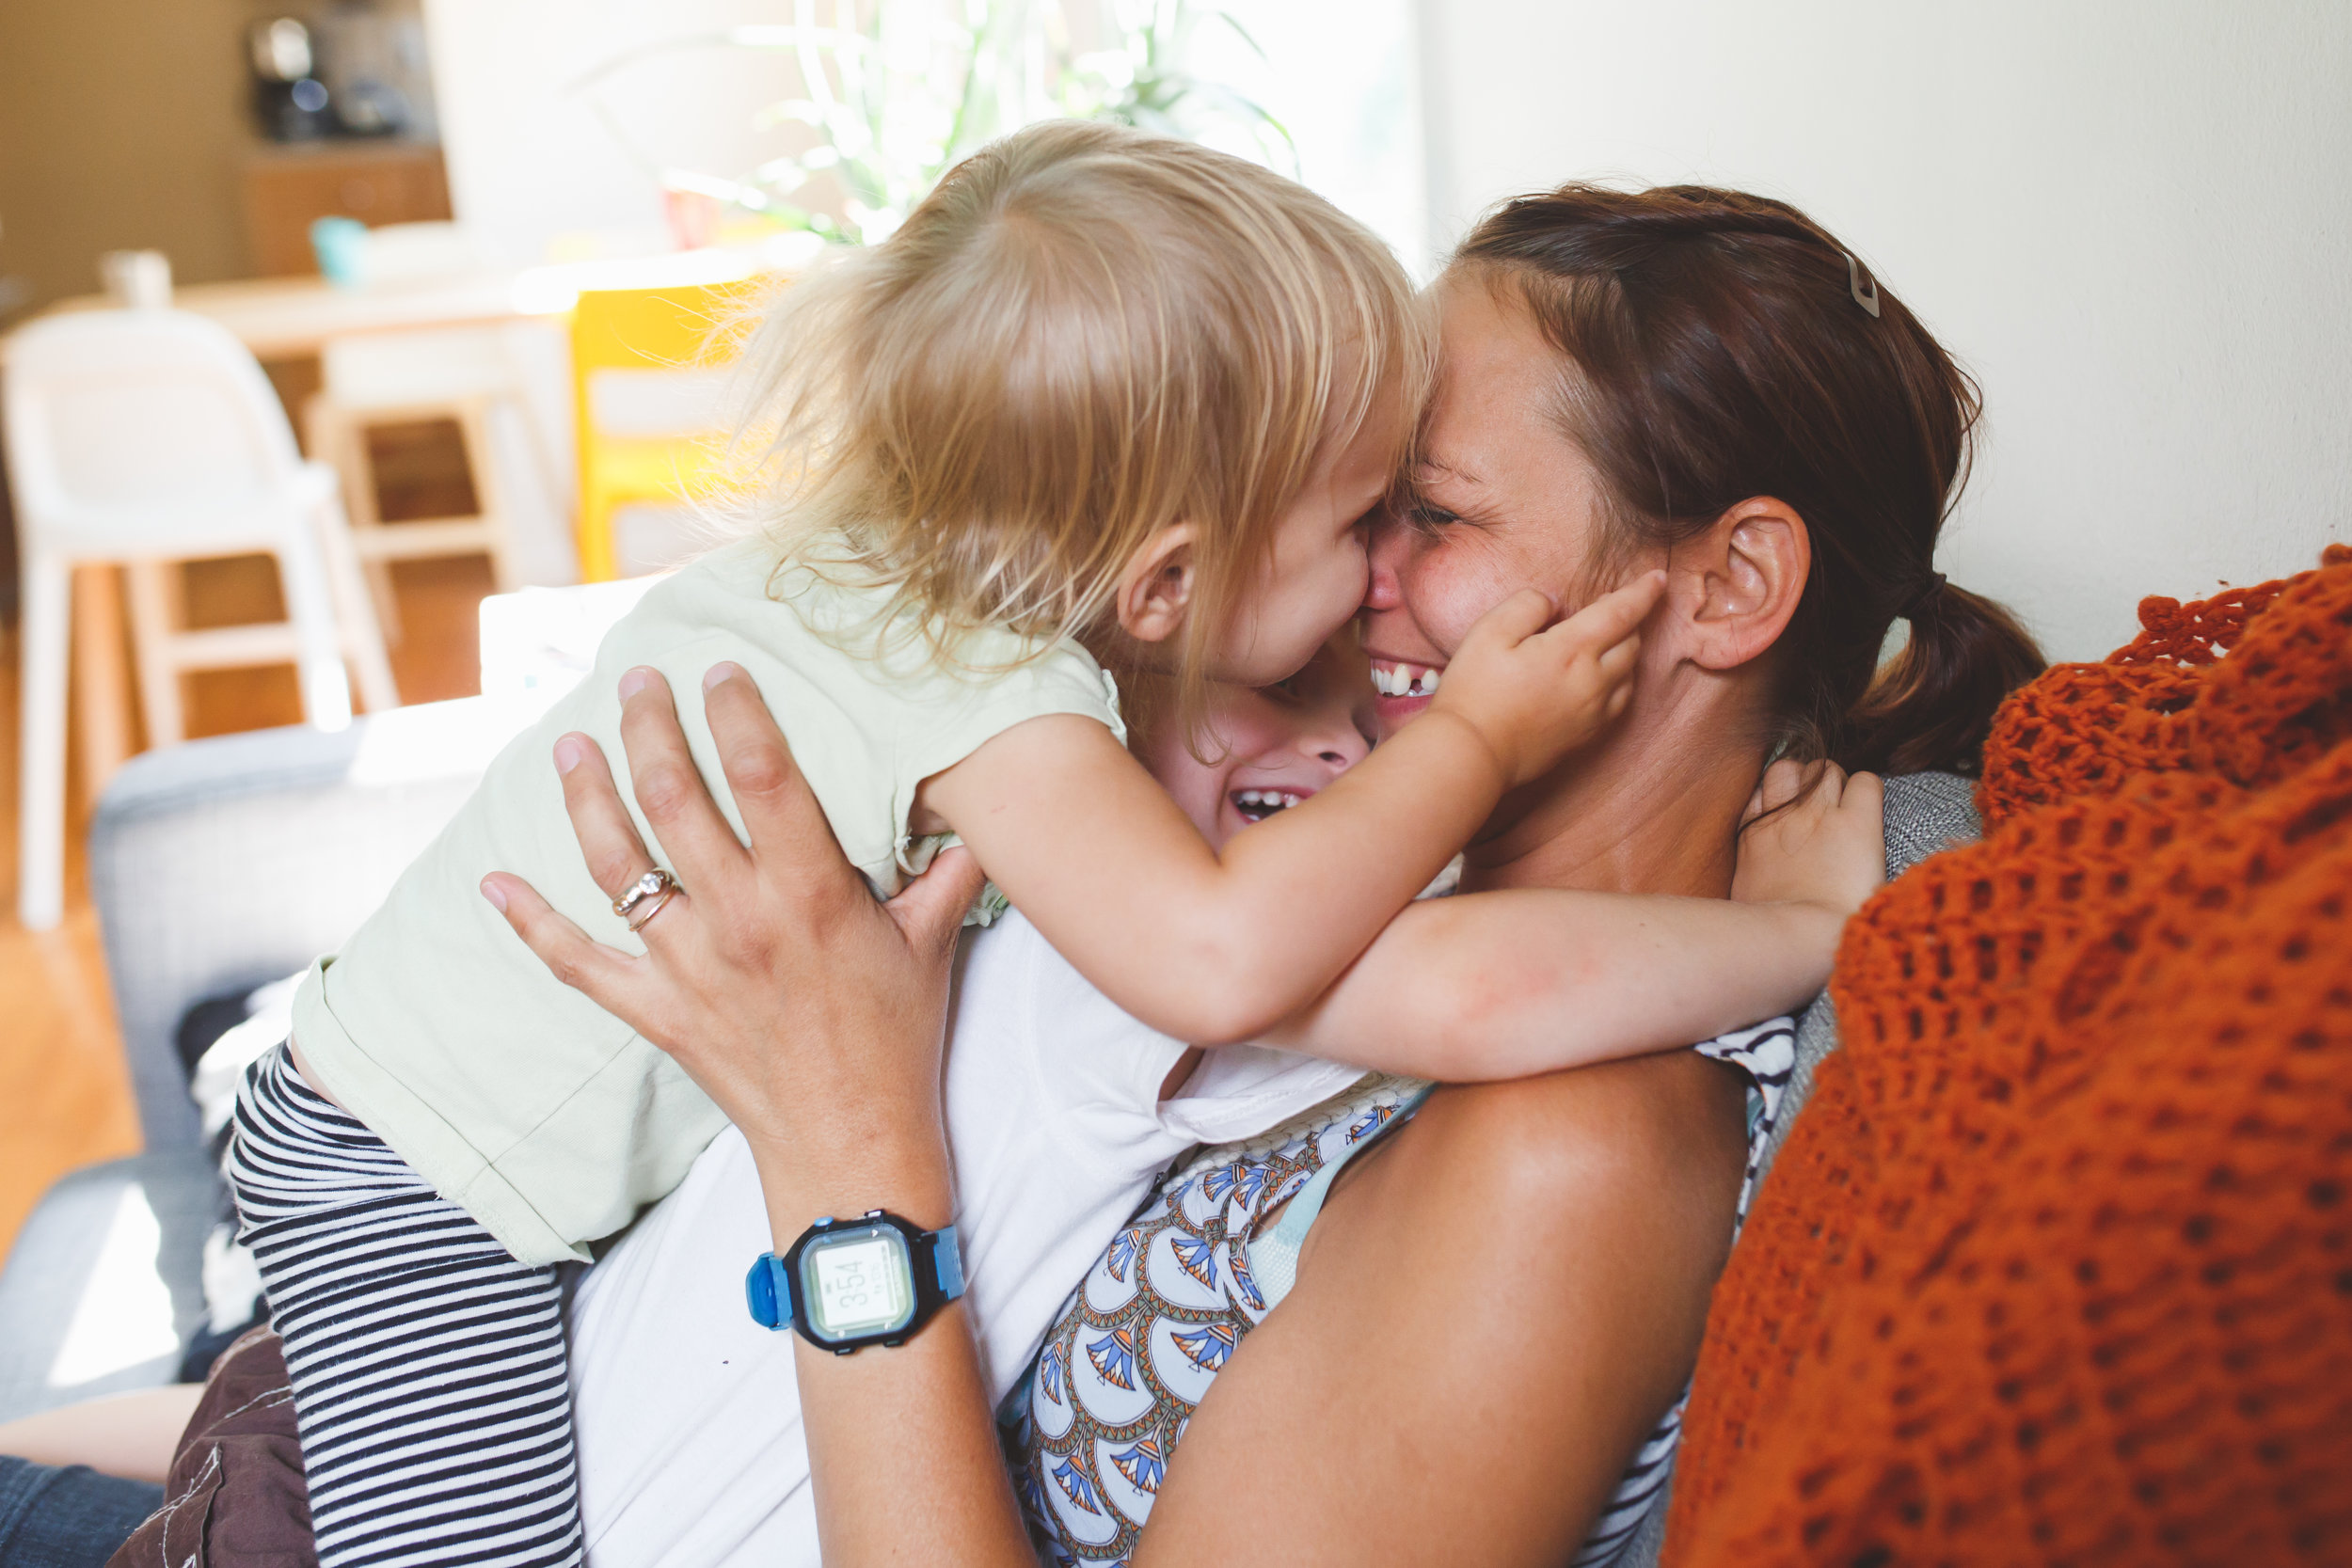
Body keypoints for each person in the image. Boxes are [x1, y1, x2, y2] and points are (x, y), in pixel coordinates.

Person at [225, 125, 1862, 1568]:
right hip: (420, 1283)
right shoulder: (1137, 763)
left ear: (1725, 589)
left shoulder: (1560, 1146)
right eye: (1355, 513)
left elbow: (1400, 985)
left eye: (1424, 513)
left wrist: (849, 1150)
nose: (1357, 599)